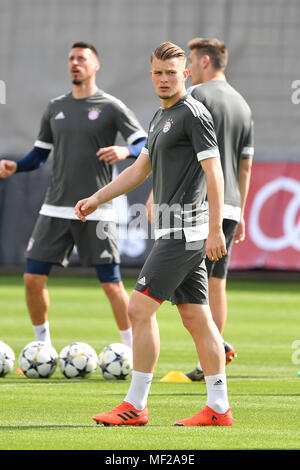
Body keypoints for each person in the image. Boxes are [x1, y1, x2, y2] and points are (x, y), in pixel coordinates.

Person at [75, 41, 233, 427]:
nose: (164, 79)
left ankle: (135, 404)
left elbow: (214, 172)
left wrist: (215, 228)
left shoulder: (193, 113)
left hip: (186, 231)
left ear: (186, 74)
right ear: (152, 75)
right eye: (158, 73)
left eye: (172, 73)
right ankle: (218, 408)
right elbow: (139, 169)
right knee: (197, 318)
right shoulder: (160, 116)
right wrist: (97, 197)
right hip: (174, 228)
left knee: (138, 309)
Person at [0, 41, 147, 350]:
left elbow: (144, 143)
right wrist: (16, 166)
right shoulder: (55, 107)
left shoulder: (111, 107)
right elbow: (40, 155)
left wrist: (124, 149)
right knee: (32, 279)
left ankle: (130, 349)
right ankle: (42, 347)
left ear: (95, 66)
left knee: (111, 284)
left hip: (98, 210)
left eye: (82, 58)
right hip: (55, 208)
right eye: (71, 58)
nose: (75, 63)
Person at [146, 38, 254, 381]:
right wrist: (240, 211)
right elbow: (245, 164)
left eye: (188, 63)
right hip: (230, 204)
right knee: (215, 284)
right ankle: (215, 356)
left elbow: (185, 158)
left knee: (160, 302)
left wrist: (155, 195)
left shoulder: (196, 98)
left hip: (196, 207)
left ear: (203, 63)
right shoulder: (243, 105)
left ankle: (209, 362)